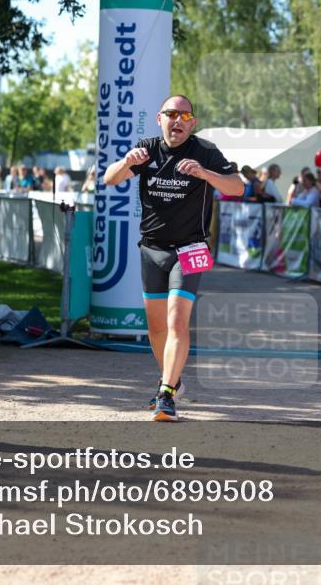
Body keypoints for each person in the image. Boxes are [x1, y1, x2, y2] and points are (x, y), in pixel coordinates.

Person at [102, 94, 243, 422]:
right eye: (171, 114)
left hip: (191, 249)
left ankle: (165, 395)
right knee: (155, 328)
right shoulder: (147, 149)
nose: (177, 120)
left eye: (184, 115)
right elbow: (110, 179)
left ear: (192, 122)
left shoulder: (205, 151)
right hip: (152, 249)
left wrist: (206, 174)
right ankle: (173, 379)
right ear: (159, 119)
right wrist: (126, 163)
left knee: (177, 320)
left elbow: (237, 188)